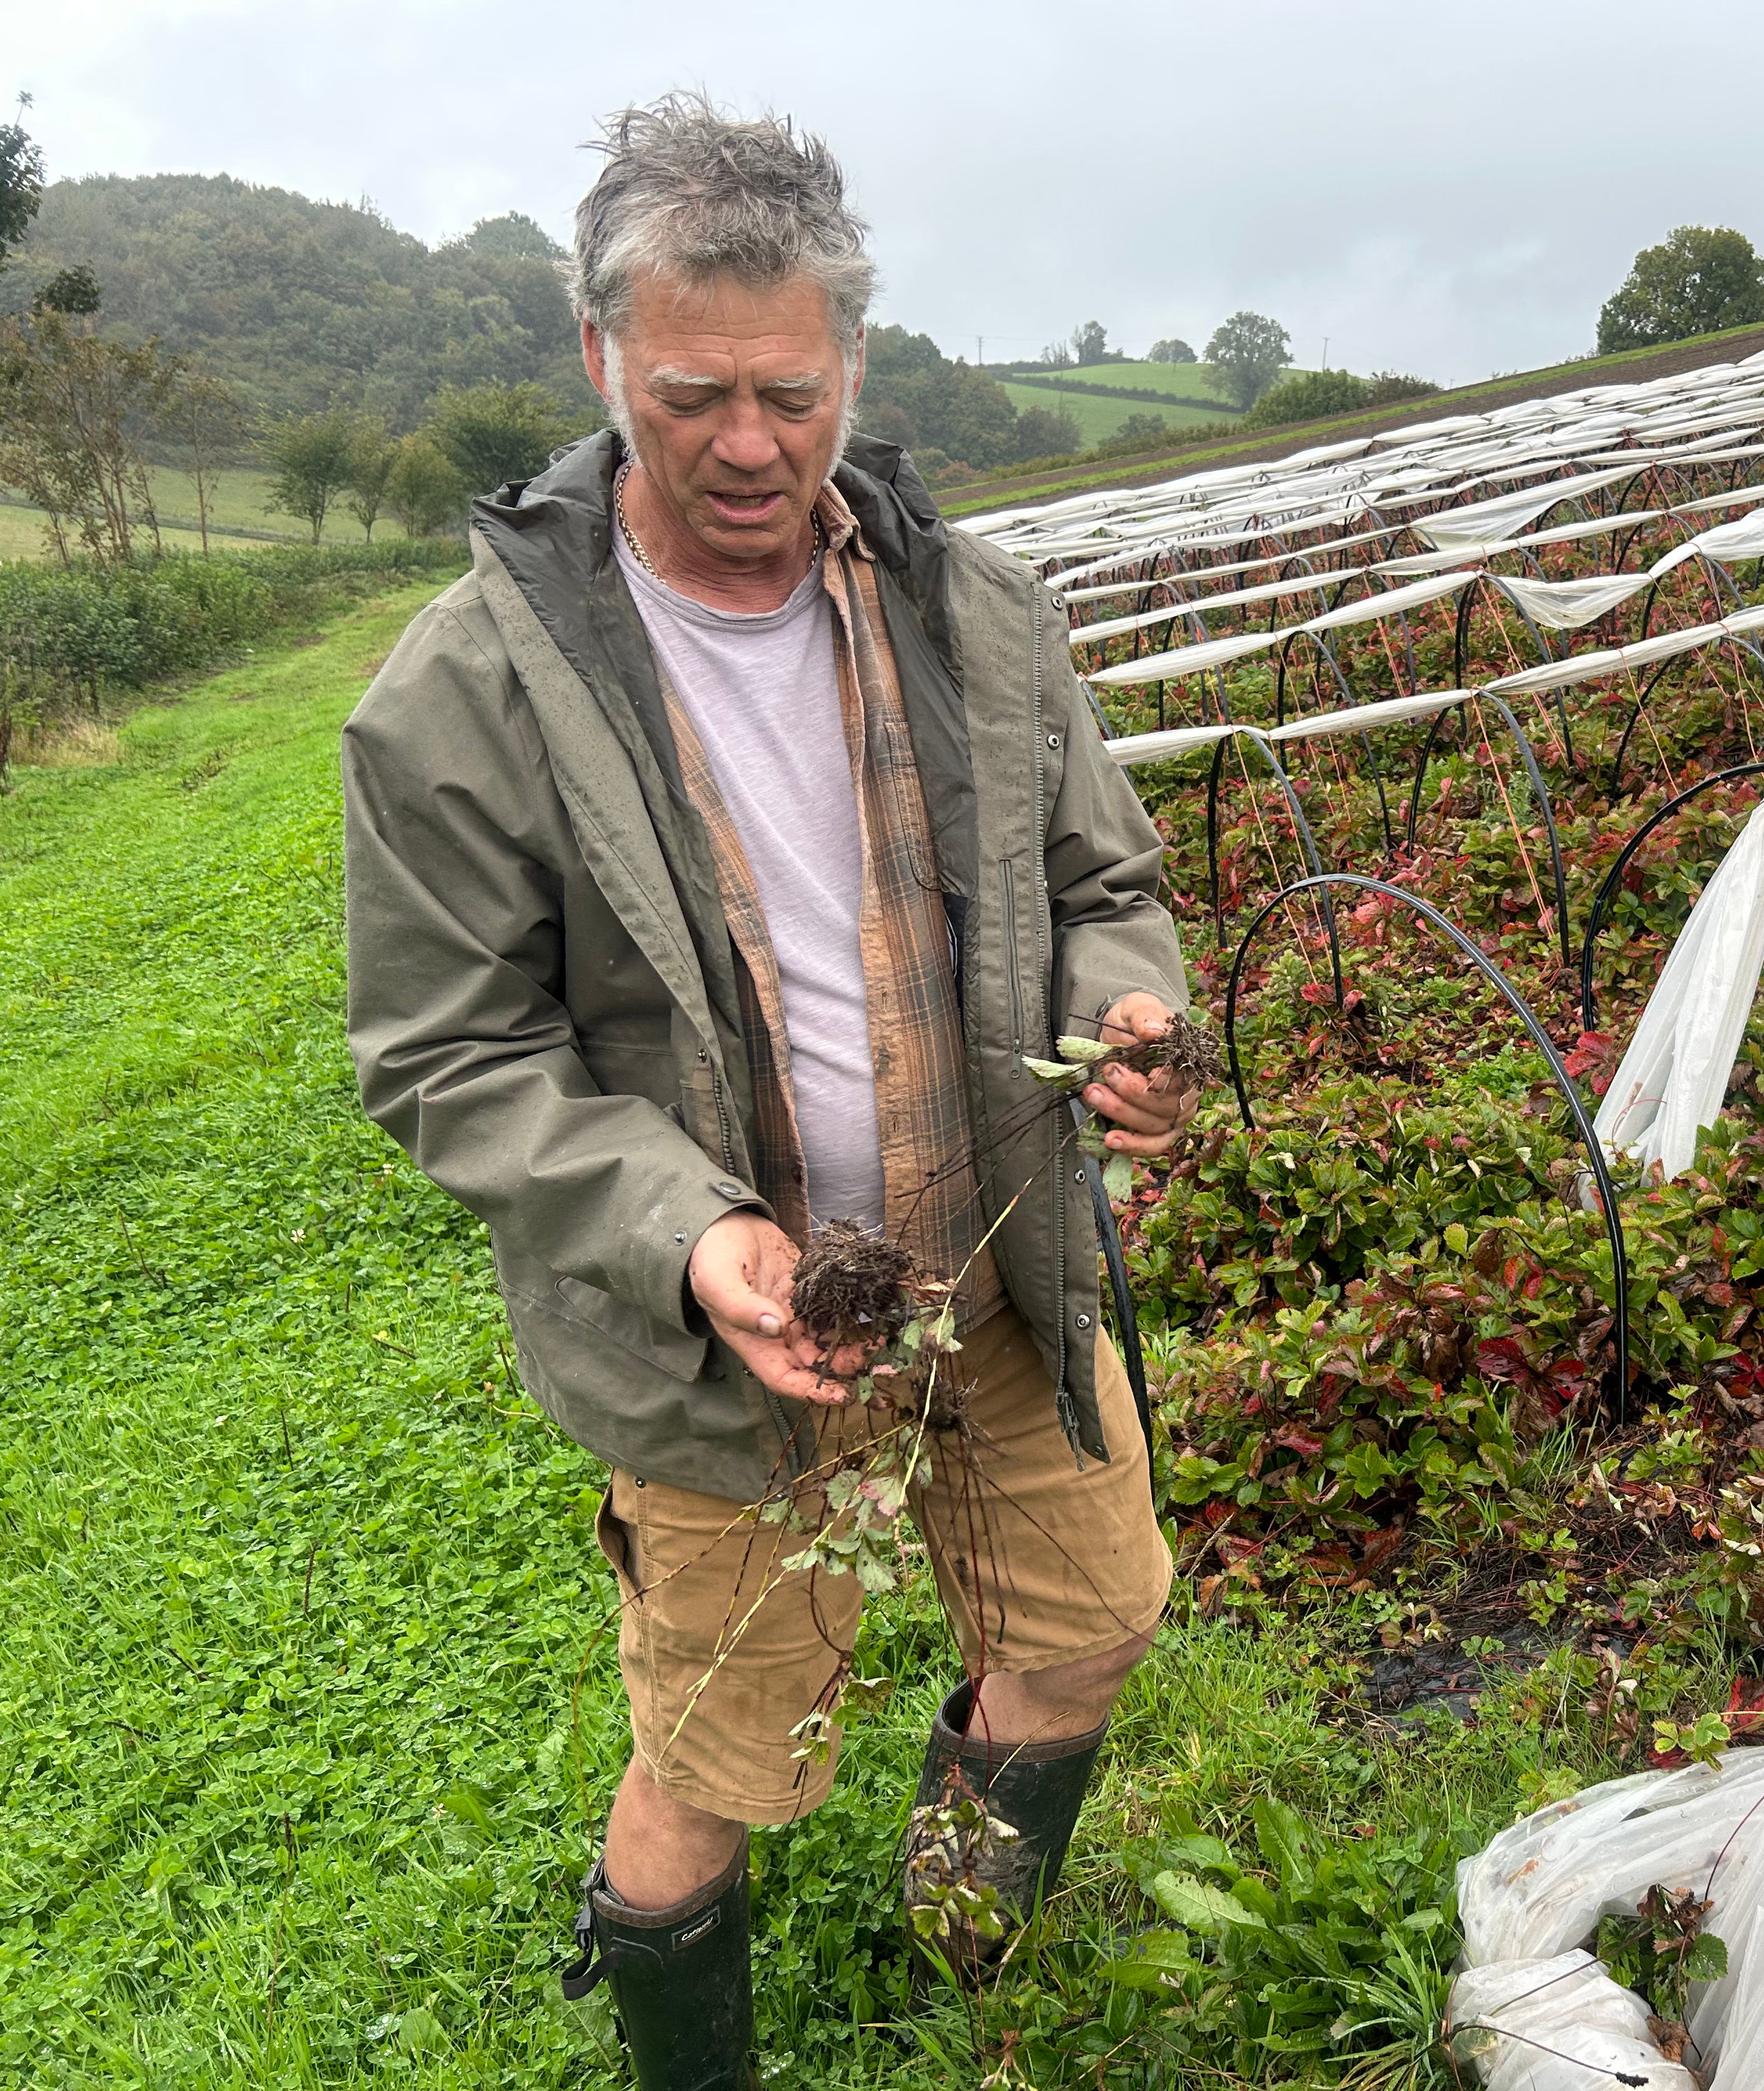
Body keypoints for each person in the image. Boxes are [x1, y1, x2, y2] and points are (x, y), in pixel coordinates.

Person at [340, 93, 1195, 2090]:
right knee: (719, 1751)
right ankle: (686, 2056)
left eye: (790, 395)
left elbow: (1106, 885)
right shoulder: (463, 696)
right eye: (696, 393)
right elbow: (449, 1051)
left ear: (850, 368)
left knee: (1085, 1626)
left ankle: (959, 1954)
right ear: (601, 360)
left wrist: (1130, 1014)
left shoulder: (970, 616)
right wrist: (693, 1235)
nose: (749, 444)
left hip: (997, 1264)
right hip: (734, 1336)